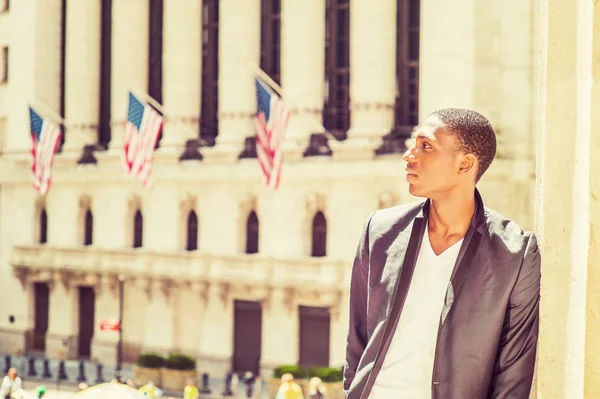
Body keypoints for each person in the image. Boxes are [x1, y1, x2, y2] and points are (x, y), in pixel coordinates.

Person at [343, 108, 541, 398]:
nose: (409, 156)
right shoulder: (379, 231)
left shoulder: (516, 254)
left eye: (426, 146)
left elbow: (513, 373)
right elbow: (357, 338)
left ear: (465, 164)